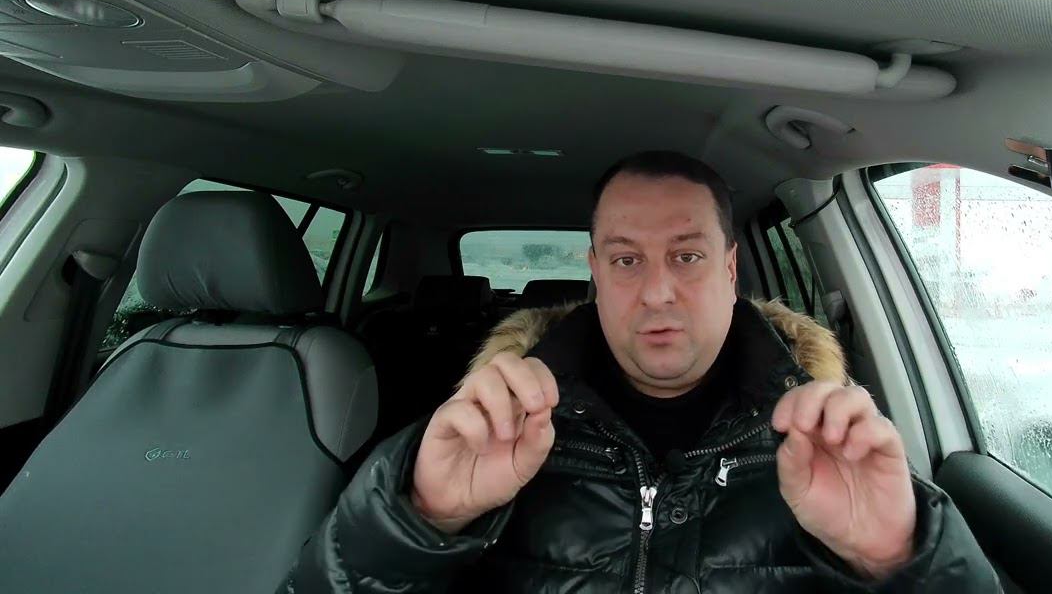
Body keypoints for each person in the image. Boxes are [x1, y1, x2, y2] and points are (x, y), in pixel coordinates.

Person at [281, 151, 999, 593]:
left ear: (729, 269)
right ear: (594, 272)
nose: (657, 292)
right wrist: (423, 518)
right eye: (627, 260)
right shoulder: (482, 434)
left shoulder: (832, 445)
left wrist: (894, 561)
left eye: (686, 257)